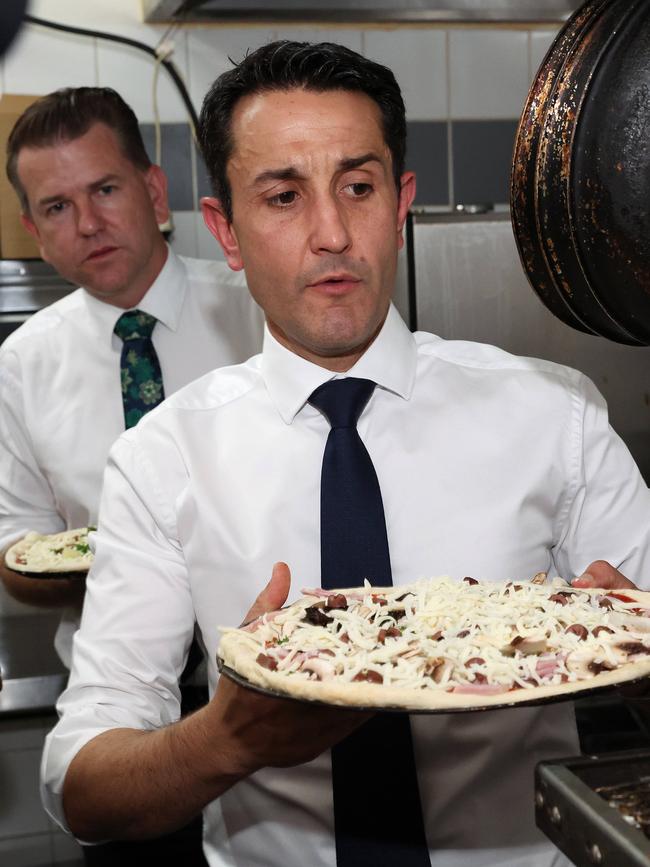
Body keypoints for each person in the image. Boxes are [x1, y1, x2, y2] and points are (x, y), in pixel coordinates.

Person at [41, 42, 650, 867]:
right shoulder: (163, 459)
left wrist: (635, 662)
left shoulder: (555, 417)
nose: (332, 234)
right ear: (224, 229)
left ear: (400, 204)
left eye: (358, 187)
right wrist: (227, 738)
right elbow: (82, 783)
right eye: (285, 196)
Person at [0, 87, 264, 667]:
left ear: (154, 191)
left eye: (105, 190)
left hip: (271, 668)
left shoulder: (259, 310)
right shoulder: (19, 366)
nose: (89, 224)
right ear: (34, 232)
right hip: (113, 689)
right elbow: (17, 552)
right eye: (57, 207)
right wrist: (125, 561)